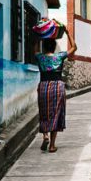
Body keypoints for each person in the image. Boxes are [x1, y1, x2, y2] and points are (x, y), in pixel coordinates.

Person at [35, 24, 77, 152]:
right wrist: (68, 33)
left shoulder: (40, 57)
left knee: (44, 111)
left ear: (44, 47)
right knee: (56, 113)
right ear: (54, 47)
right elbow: (74, 47)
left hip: (43, 86)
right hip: (57, 86)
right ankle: (52, 145)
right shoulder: (59, 56)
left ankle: (45, 136)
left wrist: (40, 34)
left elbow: (35, 48)